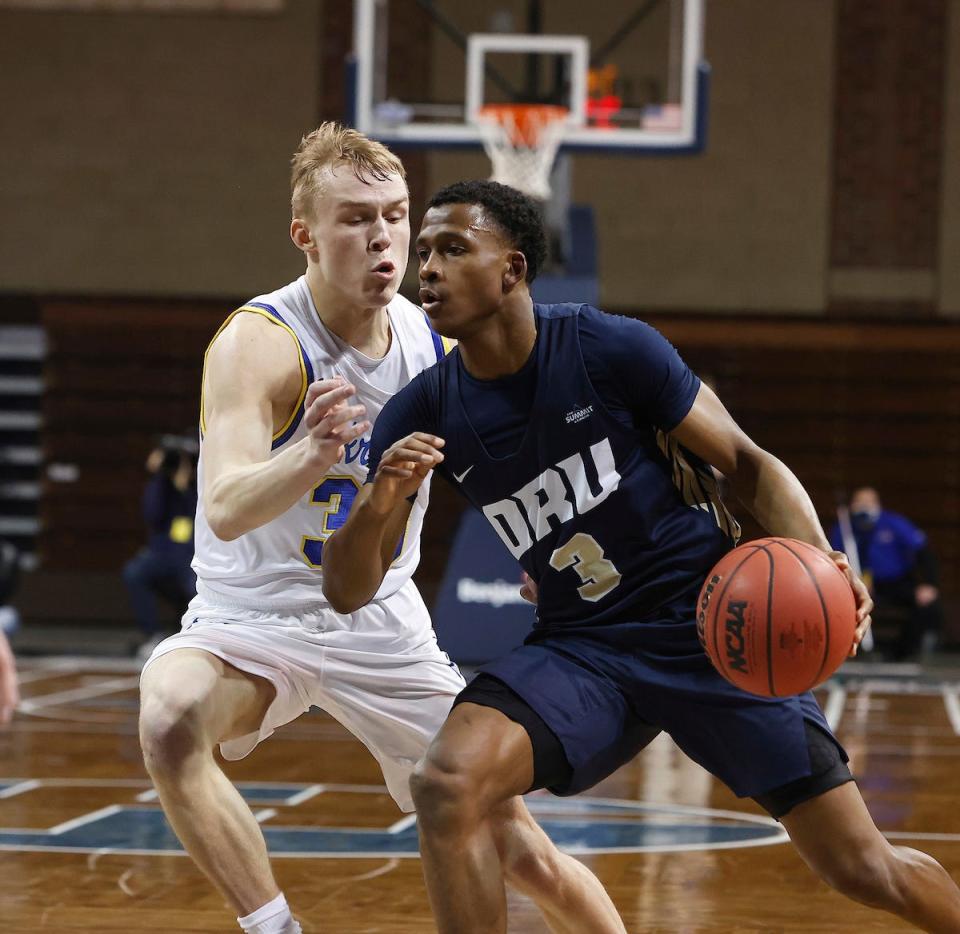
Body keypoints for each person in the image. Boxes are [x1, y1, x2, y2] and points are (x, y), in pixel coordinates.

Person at [322, 180, 960, 934]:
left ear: (512, 269)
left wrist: (822, 560)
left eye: (452, 249)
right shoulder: (423, 410)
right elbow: (345, 591)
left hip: (712, 635)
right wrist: (376, 502)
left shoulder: (607, 347)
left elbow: (749, 464)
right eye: (423, 251)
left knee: (864, 869)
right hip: (585, 649)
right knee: (445, 784)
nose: (426, 268)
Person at [136, 124, 469, 934]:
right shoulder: (261, 342)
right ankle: (275, 927)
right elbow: (224, 505)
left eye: (395, 214)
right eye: (356, 218)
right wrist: (313, 453)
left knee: (504, 829)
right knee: (169, 716)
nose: (383, 235)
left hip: (380, 618)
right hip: (250, 617)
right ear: (306, 235)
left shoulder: (435, 343)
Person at [830, 486, 944, 660]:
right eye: (859, 502)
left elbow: (924, 552)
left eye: (868, 502)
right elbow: (834, 558)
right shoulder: (844, 529)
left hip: (897, 582)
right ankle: (855, 652)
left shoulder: (894, 523)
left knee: (928, 606)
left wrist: (930, 584)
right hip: (859, 583)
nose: (864, 506)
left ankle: (902, 655)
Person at [123, 437, 199, 659]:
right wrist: (160, 477)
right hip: (165, 552)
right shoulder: (162, 485)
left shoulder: (200, 481)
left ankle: (196, 638)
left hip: (193, 555)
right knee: (134, 573)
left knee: (195, 587)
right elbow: (152, 515)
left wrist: (189, 483)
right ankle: (152, 634)